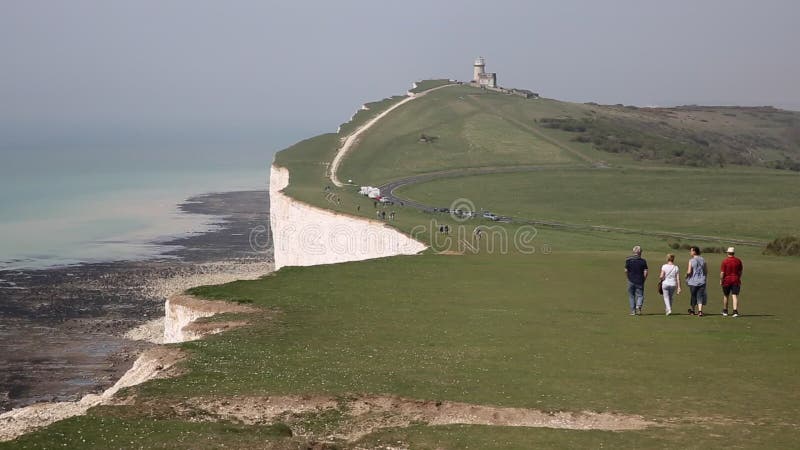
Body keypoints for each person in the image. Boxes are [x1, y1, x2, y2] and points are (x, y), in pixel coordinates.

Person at [625, 246, 648, 315]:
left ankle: (633, 311)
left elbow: (626, 270)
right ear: (640, 252)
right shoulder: (643, 261)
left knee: (631, 296)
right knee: (640, 295)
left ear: (633, 252)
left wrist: (628, 277)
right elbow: (646, 272)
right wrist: (644, 279)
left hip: (631, 280)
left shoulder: (628, 260)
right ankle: (639, 306)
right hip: (640, 280)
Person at [720, 247, 743, 317]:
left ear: (728, 253)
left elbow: (722, 273)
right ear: (733, 253)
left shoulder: (725, 261)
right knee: (734, 295)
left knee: (726, 295)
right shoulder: (738, 261)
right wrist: (738, 277)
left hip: (727, 280)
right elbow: (740, 271)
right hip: (736, 280)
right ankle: (735, 311)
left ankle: (725, 311)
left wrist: (721, 280)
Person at [685, 246, 708, 316]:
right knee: (700, 296)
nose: (690, 252)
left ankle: (692, 310)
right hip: (702, 281)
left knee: (693, 295)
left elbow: (689, 272)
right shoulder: (703, 260)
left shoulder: (691, 260)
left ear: (694, 252)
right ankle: (700, 311)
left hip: (693, 281)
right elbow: (706, 271)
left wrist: (686, 276)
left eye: (691, 251)